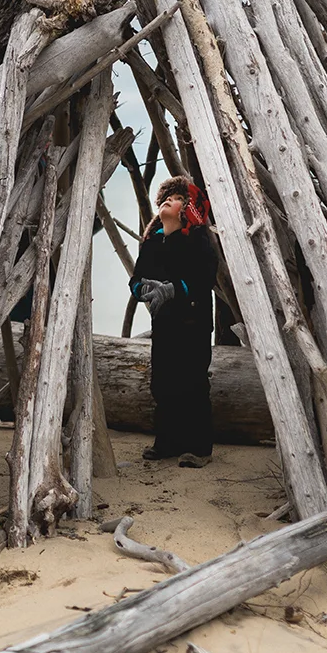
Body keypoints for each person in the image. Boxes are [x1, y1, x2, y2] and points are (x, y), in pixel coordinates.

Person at [129, 175, 218, 467]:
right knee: (163, 382)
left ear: (189, 209)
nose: (169, 200)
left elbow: (204, 277)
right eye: (166, 197)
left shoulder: (197, 240)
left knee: (192, 380)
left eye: (178, 197)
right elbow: (137, 278)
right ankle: (167, 441)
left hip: (193, 324)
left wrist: (173, 289)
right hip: (164, 325)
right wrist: (142, 289)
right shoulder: (153, 243)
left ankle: (200, 447)